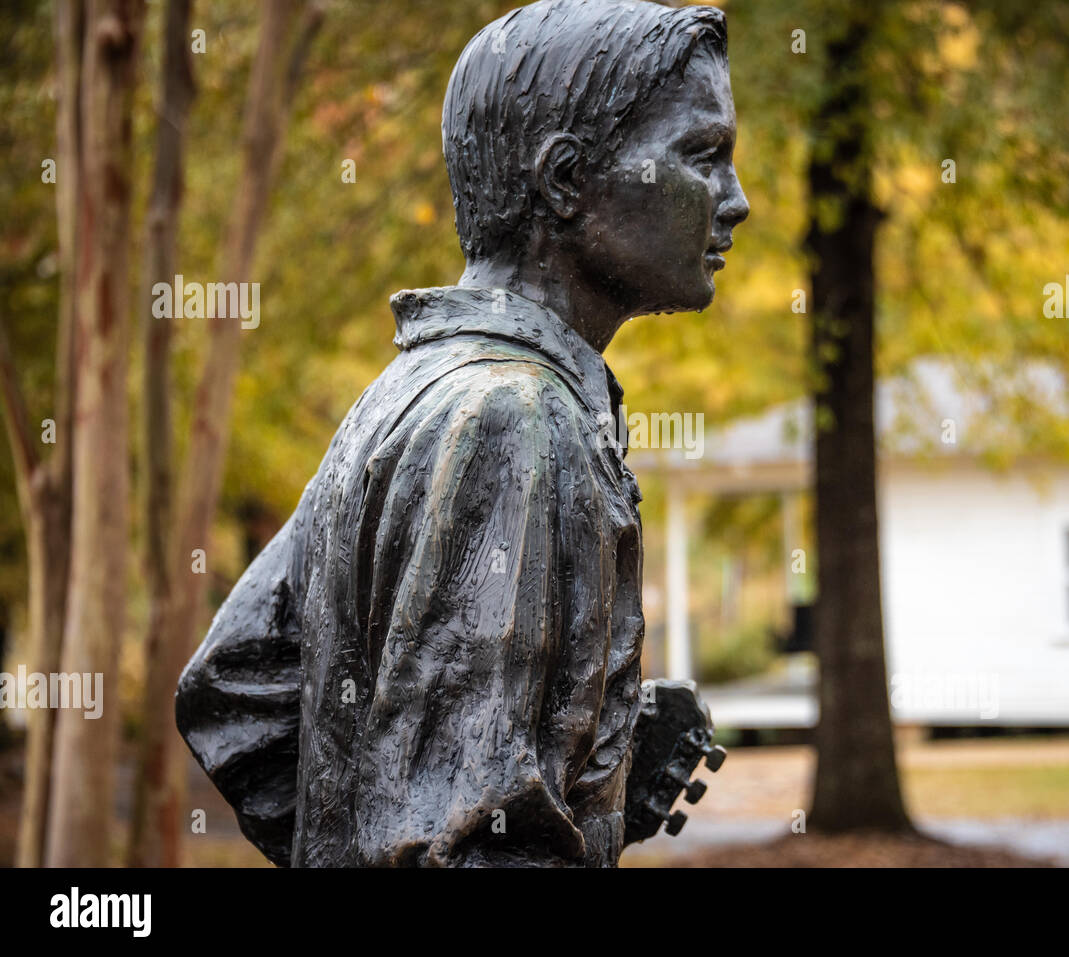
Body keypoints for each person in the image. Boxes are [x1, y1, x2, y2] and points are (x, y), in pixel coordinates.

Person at [176, 0, 748, 867]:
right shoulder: (517, 418)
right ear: (564, 181)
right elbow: (473, 840)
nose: (735, 202)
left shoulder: (408, 389)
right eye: (701, 156)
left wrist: (587, 766)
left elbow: (238, 688)